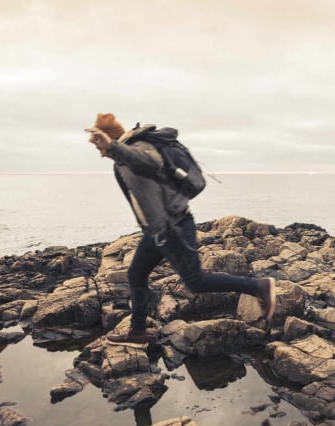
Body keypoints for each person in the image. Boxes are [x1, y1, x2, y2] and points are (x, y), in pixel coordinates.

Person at [85, 113, 276, 348]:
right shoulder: (124, 155)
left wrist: (112, 147)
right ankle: (138, 333)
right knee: (136, 275)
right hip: (156, 231)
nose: (99, 149)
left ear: (111, 137)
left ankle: (259, 286)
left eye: (99, 143)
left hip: (172, 228)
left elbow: (149, 162)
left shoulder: (137, 148)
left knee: (196, 282)